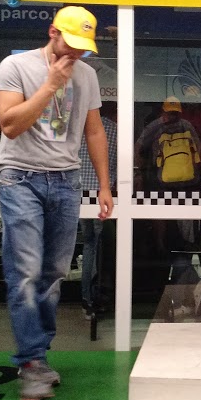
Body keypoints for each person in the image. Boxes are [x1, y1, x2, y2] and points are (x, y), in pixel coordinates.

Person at [0, 6, 114, 400]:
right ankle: (31, 361)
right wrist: (50, 85)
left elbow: (94, 131)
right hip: (20, 177)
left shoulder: (87, 75)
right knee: (26, 272)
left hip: (66, 180)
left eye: (84, 47)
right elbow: (10, 125)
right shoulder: (15, 66)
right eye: (71, 43)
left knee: (54, 273)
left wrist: (104, 185)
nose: (76, 53)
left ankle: (38, 355)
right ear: (53, 33)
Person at [134, 96, 201, 315]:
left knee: (168, 244)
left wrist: (141, 173)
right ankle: (185, 293)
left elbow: (138, 149)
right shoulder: (187, 126)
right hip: (188, 189)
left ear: (162, 111)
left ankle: (173, 295)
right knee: (184, 244)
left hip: (162, 189)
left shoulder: (154, 127)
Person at [78, 103, 118, 320]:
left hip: (79, 194)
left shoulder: (79, 127)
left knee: (89, 244)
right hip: (103, 195)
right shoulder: (113, 130)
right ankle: (98, 296)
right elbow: (119, 167)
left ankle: (87, 298)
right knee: (102, 248)